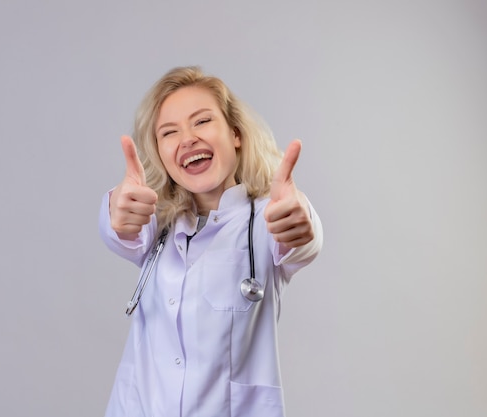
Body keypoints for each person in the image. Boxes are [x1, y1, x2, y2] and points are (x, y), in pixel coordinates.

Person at [98, 66, 323, 417]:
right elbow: (120, 230)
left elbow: (300, 240)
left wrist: (300, 222)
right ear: (160, 153)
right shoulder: (156, 225)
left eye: (201, 121)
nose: (187, 138)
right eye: (169, 132)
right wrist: (117, 207)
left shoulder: (265, 221)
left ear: (235, 133)